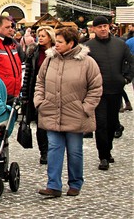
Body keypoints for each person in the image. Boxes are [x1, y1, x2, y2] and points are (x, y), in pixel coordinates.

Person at [35, 27, 102, 197]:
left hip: (75, 114)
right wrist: (40, 102)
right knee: (54, 149)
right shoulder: (49, 60)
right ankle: (53, 185)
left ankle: (75, 183)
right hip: (51, 111)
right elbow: (40, 82)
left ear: (71, 44)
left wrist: (85, 108)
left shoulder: (87, 62)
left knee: (74, 151)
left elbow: (96, 88)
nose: (55, 45)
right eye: (55, 41)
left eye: (59, 42)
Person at [86, 16, 134, 170]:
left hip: (116, 90)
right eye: (99, 27)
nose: (103, 29)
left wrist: (127, 78)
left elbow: (131, 61)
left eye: (105, 26)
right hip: (97, 92)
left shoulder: (120, 44)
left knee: (112, 123)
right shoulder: (88, 46)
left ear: (109, 27)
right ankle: (103, 156)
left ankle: (108, 150)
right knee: (101, 124)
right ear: (94, 29)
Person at [20, 26, 56, 165]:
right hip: (36, 91)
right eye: (39, 35)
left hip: (53, 92)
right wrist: (25, 95)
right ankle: (44, 152)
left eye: (43, 36)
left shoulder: (56, 52)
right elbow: (28, 74)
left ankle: (53, 149)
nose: (40, 38)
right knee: (40, 124)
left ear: (50, 37)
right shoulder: (33, 52)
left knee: (51, 124)